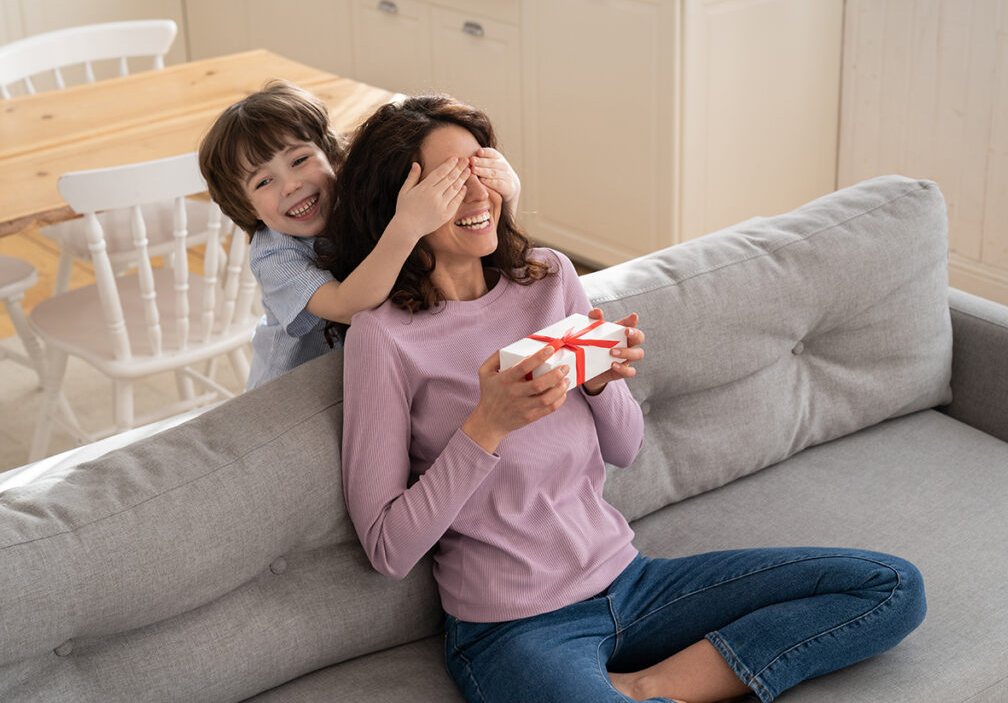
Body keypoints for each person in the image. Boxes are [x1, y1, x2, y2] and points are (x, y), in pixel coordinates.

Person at [324, 95, 927, 703]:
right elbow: (389, 549)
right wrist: (487, 426)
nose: (479, 194)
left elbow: (626, 447)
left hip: (632, 584)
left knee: (891, 587)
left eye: (482, 168)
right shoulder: (384, 338)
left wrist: (600, 382)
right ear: (398, 202)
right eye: (452, 181)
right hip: (513, 628)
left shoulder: (546, 279)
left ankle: (646, 686)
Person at [198, 80, 521, 389]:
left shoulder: (352, 199)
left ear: (332, 157)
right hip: (298, 389)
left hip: (372, 367)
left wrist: (508, 195)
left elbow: (474, 251)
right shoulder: (274, 257)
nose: (291, 185)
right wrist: (407, 226)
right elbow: (347, 306)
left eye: (300, 160)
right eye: (264, 182)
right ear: (248, 207)